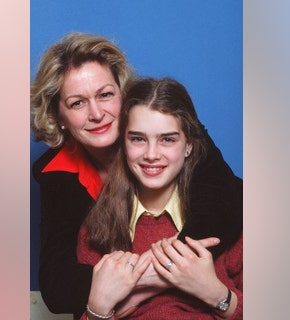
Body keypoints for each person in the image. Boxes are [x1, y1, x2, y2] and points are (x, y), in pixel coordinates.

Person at [31, 32, 242, 317]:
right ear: (59, 117)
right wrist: (110, 297)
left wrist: (189, 283)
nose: (96, 113)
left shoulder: (165, 128)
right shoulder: (59, 177)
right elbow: (58, 285)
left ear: (124, 94)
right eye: (77, 103)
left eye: (105, 95)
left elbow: (230, 202)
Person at [78, 78, 242, 319]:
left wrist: (217, 294)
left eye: (167, 139)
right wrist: (97, 310)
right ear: (123, 144)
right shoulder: (97, 228)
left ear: (189, 146)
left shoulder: (227, 219)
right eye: (138, 139)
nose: (151, 154)